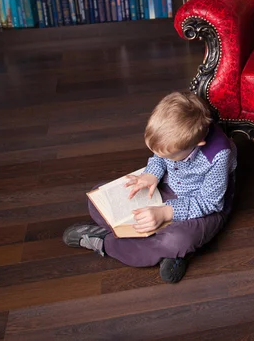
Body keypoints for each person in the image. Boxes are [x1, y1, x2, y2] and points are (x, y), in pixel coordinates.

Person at [62, 91, 236, 284]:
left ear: (197, 144)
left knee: (177, 240)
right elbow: (160, 157)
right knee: (98, 196)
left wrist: (165, 214)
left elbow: (210, 203)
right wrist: (152, 173)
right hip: (168, 189)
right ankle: (167, 252)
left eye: (168, 156)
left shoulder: (219, 155)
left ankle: (104, 241)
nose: (161, 156)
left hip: (202, 209)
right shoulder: (175, 140)